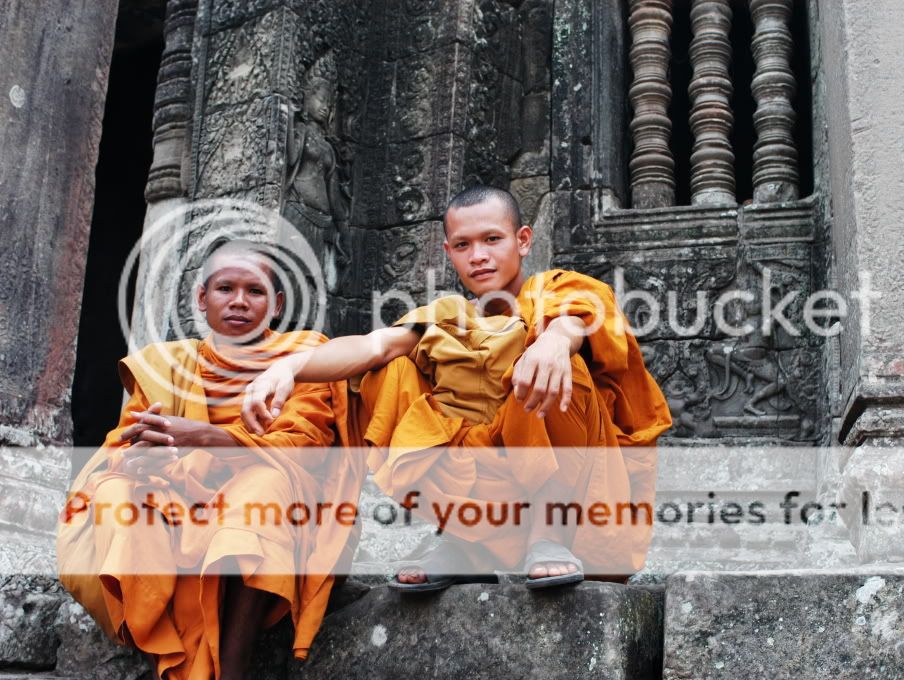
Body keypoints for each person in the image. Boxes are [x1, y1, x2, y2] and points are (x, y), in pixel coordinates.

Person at [242, 186, 672, 589]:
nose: (478, 256)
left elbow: (575, 320)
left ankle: (548, 535)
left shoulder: (555, 290)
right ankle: (464, 541)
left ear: (522, 240)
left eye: (492, 240)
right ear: (448, 252)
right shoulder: (448, 315)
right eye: (464, 245)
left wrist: (557, 342)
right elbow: (375, 345)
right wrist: (290, 367)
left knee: (560, 367)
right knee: (390, 375)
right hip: (479, 461)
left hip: (564, 473)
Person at [57, 241, 364, 679]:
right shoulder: (168, 364)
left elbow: (305, 445)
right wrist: (139, 462)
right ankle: (168, 658)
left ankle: (234, 668)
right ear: (202, 299)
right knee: (115, 492)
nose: (239, 301)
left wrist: (204, 436)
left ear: (276, 304)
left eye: (255, 291)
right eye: (225, 288)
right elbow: (126, 445)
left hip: (275, 500)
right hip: (180, 495)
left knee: (263, 488)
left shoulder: (304, 358)